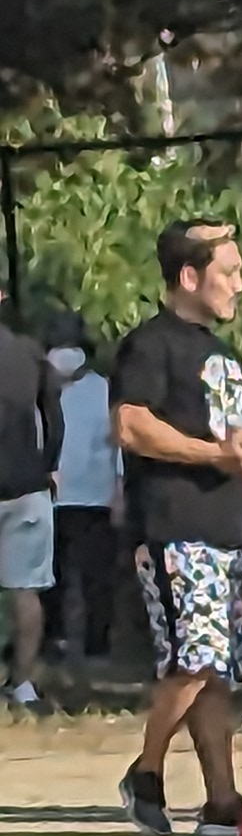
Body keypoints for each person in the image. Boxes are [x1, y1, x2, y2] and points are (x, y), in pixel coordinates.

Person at [110, 221, 242, 836]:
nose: (240, 286)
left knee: (218, 669)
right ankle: (144, 773)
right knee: (194, 659)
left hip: (228, 532)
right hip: (175, 529)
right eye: (229, 272)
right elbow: (131, 425)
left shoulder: (225, 358)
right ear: (189, 277)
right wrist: (209, 456)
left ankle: (222, 802)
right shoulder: (150, 346)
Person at [0, 302, 66, 709]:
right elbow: (54, 418)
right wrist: (50, 466)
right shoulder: (29, 351)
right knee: (26, 591)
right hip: (26, 483)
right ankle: (23, 683)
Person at [46, 309, 119, 670]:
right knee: (67, 576)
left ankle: (88, 641)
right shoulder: (100, 386)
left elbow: (118, 442)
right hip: (72, 495)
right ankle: (69, 640)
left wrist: (118, 489)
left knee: (83, 577)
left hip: (80, 494)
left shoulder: (98, 388)